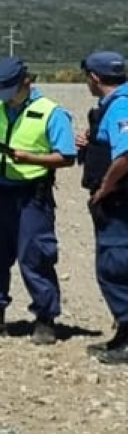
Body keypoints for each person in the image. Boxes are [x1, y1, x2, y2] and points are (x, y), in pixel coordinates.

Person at [0, 55, 76, 343]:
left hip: (31, 197)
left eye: (11, 91)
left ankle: (45, 320)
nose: (6, 99)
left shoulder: (51, 113)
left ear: (27, 81)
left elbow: (66, 156)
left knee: (36, 256)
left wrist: (30, 157)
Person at [78, 49, 128, 363]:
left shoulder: (121, 105)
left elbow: (125, 156)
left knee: (115, 267)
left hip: (119, 201)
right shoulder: (112, 106)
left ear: (95, 78)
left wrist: (105, 188)